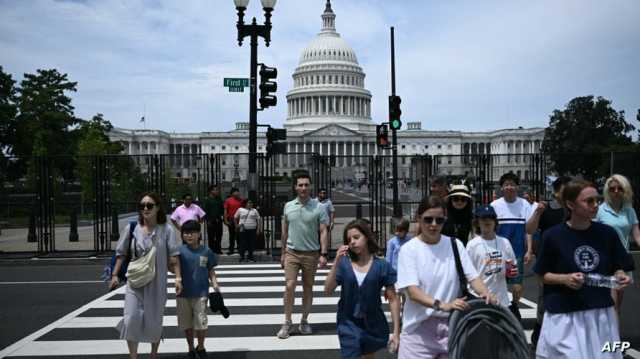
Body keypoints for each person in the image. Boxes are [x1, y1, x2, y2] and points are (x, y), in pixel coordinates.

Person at [534, 180, 634, 359]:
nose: (595, 205)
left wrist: (620, 275)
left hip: (601, 314)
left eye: (597, 200)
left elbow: (618, 266)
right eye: (589, 201)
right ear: (571, 204)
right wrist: (564, 279)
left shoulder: (607, 233)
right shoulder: (553, 236)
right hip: (564, 314)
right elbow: (541, 275)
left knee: (607, 355)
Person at [396, 195, 497, 358]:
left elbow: (473, 277)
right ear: (418, 218)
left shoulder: (455, 244)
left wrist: (486, 293)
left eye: (439, 220)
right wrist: (443, 305)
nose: (434, 225)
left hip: (453, 327)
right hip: (418, 330)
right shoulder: (409, 250)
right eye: (428, 220)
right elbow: (413, 292)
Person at [109, 192, 182, 359]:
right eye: (142, 206)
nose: (146, 208)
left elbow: (174, 255)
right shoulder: (132, 227)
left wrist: (178, 278)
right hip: (135, 281)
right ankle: (133, 356)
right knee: (131, 318)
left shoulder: (166, 229)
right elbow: (120, 253)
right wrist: (114, 275)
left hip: (157, 282)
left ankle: (153, 354)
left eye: (149, 205)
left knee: (154, 320)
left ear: (157, 208)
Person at [325, 219, 401, 359]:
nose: (352, 242)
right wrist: (336, 262)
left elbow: (393, 299)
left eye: (356, 237)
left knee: (368, 356)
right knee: (351, 354)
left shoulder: (381, 266)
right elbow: (328, 290)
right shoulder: (344, 264)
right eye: (349, 239)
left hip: (373, 323)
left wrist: (396, 332)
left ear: (366, 237)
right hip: (348, 322)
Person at [277, 173, 329, 339]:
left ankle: (304, 320)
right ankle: (287, 321)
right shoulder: (288, 206)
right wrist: (282, 253)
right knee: (289, 285)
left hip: (311, 253)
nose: (303, 188)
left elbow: (323, 231)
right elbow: (284, 232)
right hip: (292, 252)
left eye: (306, 185)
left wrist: (323, 253)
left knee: (308, 288)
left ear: (310, 186)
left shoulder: (319, 207)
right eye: (300, 185)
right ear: (295, 187)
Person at [526, 175, 571, 348]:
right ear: (556, 191)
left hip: (570, 261)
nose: (567, 192)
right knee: (545, 301)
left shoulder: (575, 209)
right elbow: (529, 229)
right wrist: (537, 212)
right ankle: (539, 336)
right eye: (564, 189)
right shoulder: (546, 208)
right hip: (549, 263)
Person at [596, 174, 640, 317]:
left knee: (617, 306)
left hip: (622, 260)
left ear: (625, 190)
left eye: (619, 188)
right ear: (607, 191)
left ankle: (614, 337)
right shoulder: (600, 210)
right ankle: (610, 337)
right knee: (611, 304)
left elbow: (637, 235)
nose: (615, 191)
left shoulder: (629, 210)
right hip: (604, 260)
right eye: (612, 189)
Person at [176, 220, 220, 359]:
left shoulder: (206, 251)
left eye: (192, 233)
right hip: (183, 293)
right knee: (187, 324)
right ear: (182, 235)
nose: (189, 236)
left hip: (201, 293)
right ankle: (190, 348)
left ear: (199, 234)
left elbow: (210, 270)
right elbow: (174, 269)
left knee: (201, 323)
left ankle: (200, 347)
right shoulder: (179, 252)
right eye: (186, 233)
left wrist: (215, 285)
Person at [490, 172, 534, 306]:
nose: (509, 187)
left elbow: (529, 229)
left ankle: (514, 306)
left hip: (517, 253)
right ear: (501, 188)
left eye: (512, 184)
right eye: (506, 184)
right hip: (497, 252)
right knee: (496, 282)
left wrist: (529, 250)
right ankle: (497, 309)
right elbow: (489, 229)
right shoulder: (495, 205)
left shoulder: (524, 204)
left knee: (517, 285)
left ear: (517, 187)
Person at [466, 205, 518, 307]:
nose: (487, 221)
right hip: (479, 299)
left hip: (502, 300)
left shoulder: (504, 242)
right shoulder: (472, 245)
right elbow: (468, 274)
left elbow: (512, 267)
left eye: (491, 218)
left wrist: (512, 272)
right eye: (483, 218)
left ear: (495, 221)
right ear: (477, 222)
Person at [234, 198, 262, 263]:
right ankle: (242, 257)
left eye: (251, 203)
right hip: (243, 229)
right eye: (249, 203)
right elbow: (235, 217)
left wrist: (258, 229)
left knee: (251, 243)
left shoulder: (254, 210)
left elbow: (258, 220)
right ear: (245, 204)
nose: (250, 204)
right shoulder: (240, 210)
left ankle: (250, 256)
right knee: (243, 243)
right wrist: (236, 225)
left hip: (252, 229)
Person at [203, 184, 224, 254]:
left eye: (218, 190)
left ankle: (218, 249)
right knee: (211, 236)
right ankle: (211, 250)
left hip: (218, 220)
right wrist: (208, 220)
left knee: (219, 235)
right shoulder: (207, 200)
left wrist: (222, 216)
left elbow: (222, 209)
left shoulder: (219, 199)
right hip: (210, 221)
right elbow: (205, 211)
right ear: (211, 191)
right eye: (215, 190)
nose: (217, 191)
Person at [223, 188, 243, 255]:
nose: (237, 193)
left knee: (239, 235)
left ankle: (240, 248)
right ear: (232, 193)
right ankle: (231, 249)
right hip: (231, 219)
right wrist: (225, 220)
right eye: (235, 192)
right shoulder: (228, 201)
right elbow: (225, 211)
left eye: (238, 192)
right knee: (232, 235)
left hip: (239, 220)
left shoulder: (241, 200)